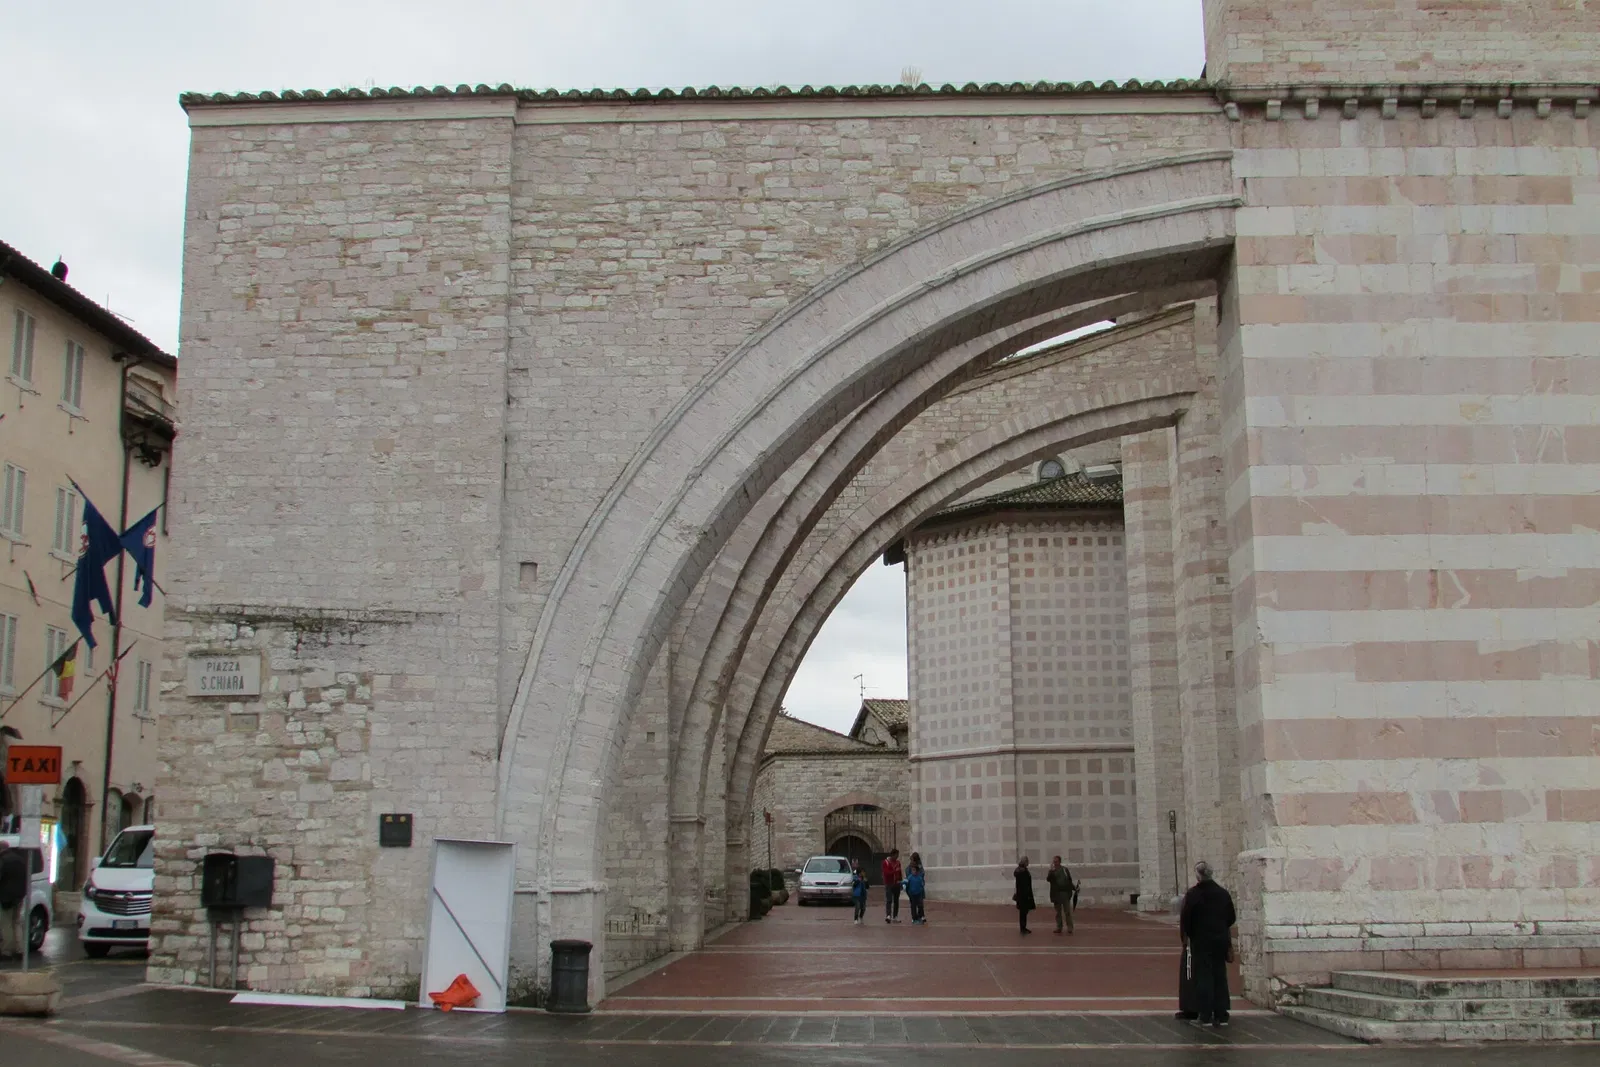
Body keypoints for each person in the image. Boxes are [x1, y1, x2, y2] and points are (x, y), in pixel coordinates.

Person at [1179, 861, 1237, 1028]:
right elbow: (1231, 917)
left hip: (1201, 941)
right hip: (1220, 940)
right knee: (1220, 976)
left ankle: (1204, 1015)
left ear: (1198, 875)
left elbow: (1186, 919)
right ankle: (1221, 1014)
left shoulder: (1193, 895)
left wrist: (1189, 934)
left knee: (1203, 977)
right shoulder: (1223, 893)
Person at [0, 842, 26, 960]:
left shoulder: (3, 860)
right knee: (16, 922)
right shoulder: (20, 860)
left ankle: (6, 951)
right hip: (19, 896)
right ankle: (19, 949)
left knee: (6, 924)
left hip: (6, 897)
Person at [1046, 855, 1076, 935]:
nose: (1055, 863)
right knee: (1058, 912)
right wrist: (1051, 871)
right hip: (1056, 894)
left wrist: (1074, 888)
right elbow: (1048, 879)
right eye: (1054, 861)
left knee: (1067, 912)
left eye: (1056, 861)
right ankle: (1059, 927)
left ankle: (1070, 927)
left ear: (1059, 862)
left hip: (1065, 893)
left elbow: (1069, 881)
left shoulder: (1065, 870)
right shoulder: (1052, 871)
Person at [1012, 856, 1036, 934]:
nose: (1028, 862)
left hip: (1022, 895)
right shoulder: (1023, 871)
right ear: (1024, 862)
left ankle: (1023, 927)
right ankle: (1023, 928)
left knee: (1023, 912)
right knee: (1023, 912)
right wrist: (1028, 895)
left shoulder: (1020, 870)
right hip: (1024, 895)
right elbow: (1025, 885)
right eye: (1027, 861)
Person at [881, 848, 904, 924]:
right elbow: (886, 872)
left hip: (896, 883)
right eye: (896, 855)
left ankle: (895, 916)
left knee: (896, 901)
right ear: (893, 855)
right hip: (889, 883)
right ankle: (888, 915)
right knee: (889, 900)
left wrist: (900, 882)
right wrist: (894, 871)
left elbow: (900, 873)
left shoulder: (898, 862)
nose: (897, 857)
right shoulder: (886, 862)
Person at [905, 852, 928, 925]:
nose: (912, 862)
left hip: (918, 888)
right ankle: (914, 917)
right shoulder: (909, 867)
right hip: (912, 888)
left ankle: (921, 915)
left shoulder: (919, 866)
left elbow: (922, 873)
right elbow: (908, 875)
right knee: (913, 903)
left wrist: (920, 879)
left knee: (920, 903)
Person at [850, 860, 869, 925]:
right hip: (856, 895)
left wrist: (866, 882)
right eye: (862, 872)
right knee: (857, 906)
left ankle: (861, 917)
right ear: (859, 873)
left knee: (863, 908)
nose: (864, 873)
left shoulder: (865, 879)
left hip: (863, 896)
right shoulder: (855, 878)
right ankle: (855, 919)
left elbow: (867, 887)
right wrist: (858, 880)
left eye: (864, 872)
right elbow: (854, 884)